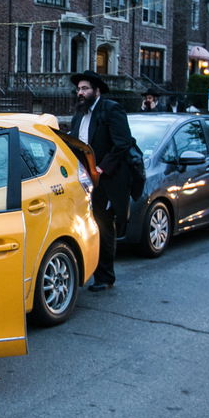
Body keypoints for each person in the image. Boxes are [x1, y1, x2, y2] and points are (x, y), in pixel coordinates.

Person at [68, 72, 133, 292]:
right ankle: (88, 270)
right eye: (78, 89)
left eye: (85, 88)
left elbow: (123, 143)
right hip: (84, 181)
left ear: (96, 90)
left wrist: (101, 168)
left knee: (103, 226)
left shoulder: (110, 109)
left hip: (106, 180)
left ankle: (105, 277)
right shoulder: (79, 115)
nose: (80, 93)